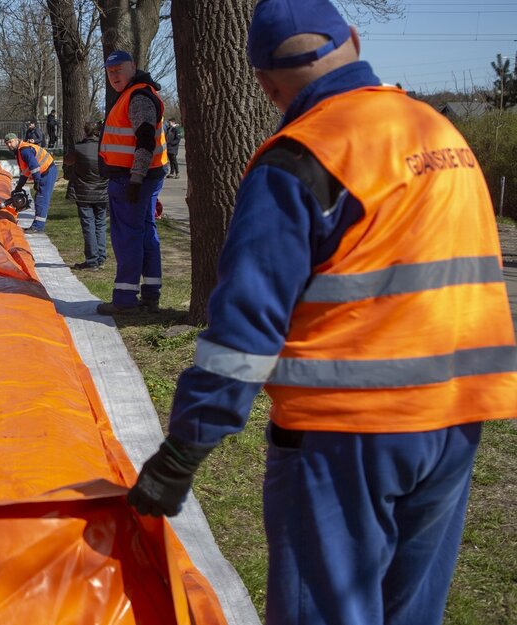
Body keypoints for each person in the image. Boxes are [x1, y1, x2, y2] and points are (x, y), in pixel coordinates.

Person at [126, 2, 517, 625]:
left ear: (263, 82)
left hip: (346, 436)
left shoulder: (301, 158)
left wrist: (182, 452)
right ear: (355, 41)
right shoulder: (438, 134)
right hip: (457, 418)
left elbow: (243, 333)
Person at [96, 48, 168, 314]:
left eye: (118, 70)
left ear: (133, 67)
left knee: (128, 237)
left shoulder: (137, 97)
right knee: (145, 234)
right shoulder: (137, 93)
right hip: (143, 178)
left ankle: (125, 300)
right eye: (110, 72)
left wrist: (136, 179)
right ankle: (150, 294)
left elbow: (145, 140)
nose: (114, 76)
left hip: (131, 180)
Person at [64, 121, 108, 270]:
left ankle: (92, 260)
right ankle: (100, 257)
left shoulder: (79, 148)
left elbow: (67, 161)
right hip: (102, 191)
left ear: (85, 132)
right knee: (100, 224)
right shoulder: (105, 147)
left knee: (89, 225)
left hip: (84, 192)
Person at [4, 132, 57, 234]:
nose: (9, 145)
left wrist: (37, 181)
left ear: (16, 140)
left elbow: (34, 167)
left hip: (47, 172)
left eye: (10, 142)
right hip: (45, 171)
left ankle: (38, 227)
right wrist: (19, 186)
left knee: (41, 199)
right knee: (40, 199)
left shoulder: (24, 150)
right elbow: (25, 171)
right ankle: (37, 225)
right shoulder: (19, 151)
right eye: (7, 144)